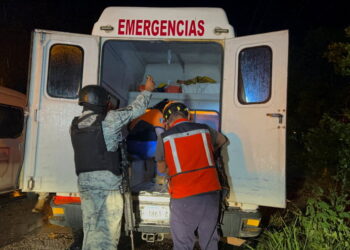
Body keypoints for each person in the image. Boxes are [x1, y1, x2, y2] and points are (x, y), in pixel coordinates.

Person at [70, 76, 155, 250]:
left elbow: (104, 142)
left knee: (91, 230)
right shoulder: (109, 120)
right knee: (107, 236)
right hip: (107, 186)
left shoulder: (75, 124)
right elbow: (136, 109)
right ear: (101, 101)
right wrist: (148, 90)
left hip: (85, 185)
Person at [155, 101, 227, 250]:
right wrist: (207, 152)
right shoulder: (204, 129)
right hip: (210, 192)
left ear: (167, 121)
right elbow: (222, 140)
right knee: (209, 242)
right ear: (188, 115)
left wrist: (174, 169)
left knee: (183, 244)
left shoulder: (165, 137)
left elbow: (161, 168)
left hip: (184, 196)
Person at [126, 99, 169, 192]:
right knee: (165, 150)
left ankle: (151, 179)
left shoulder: (146, 114)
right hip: (145, 147)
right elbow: (161, 136)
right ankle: (161, 181)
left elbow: (129, 127)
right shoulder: (158, 114)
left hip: (130, 147)